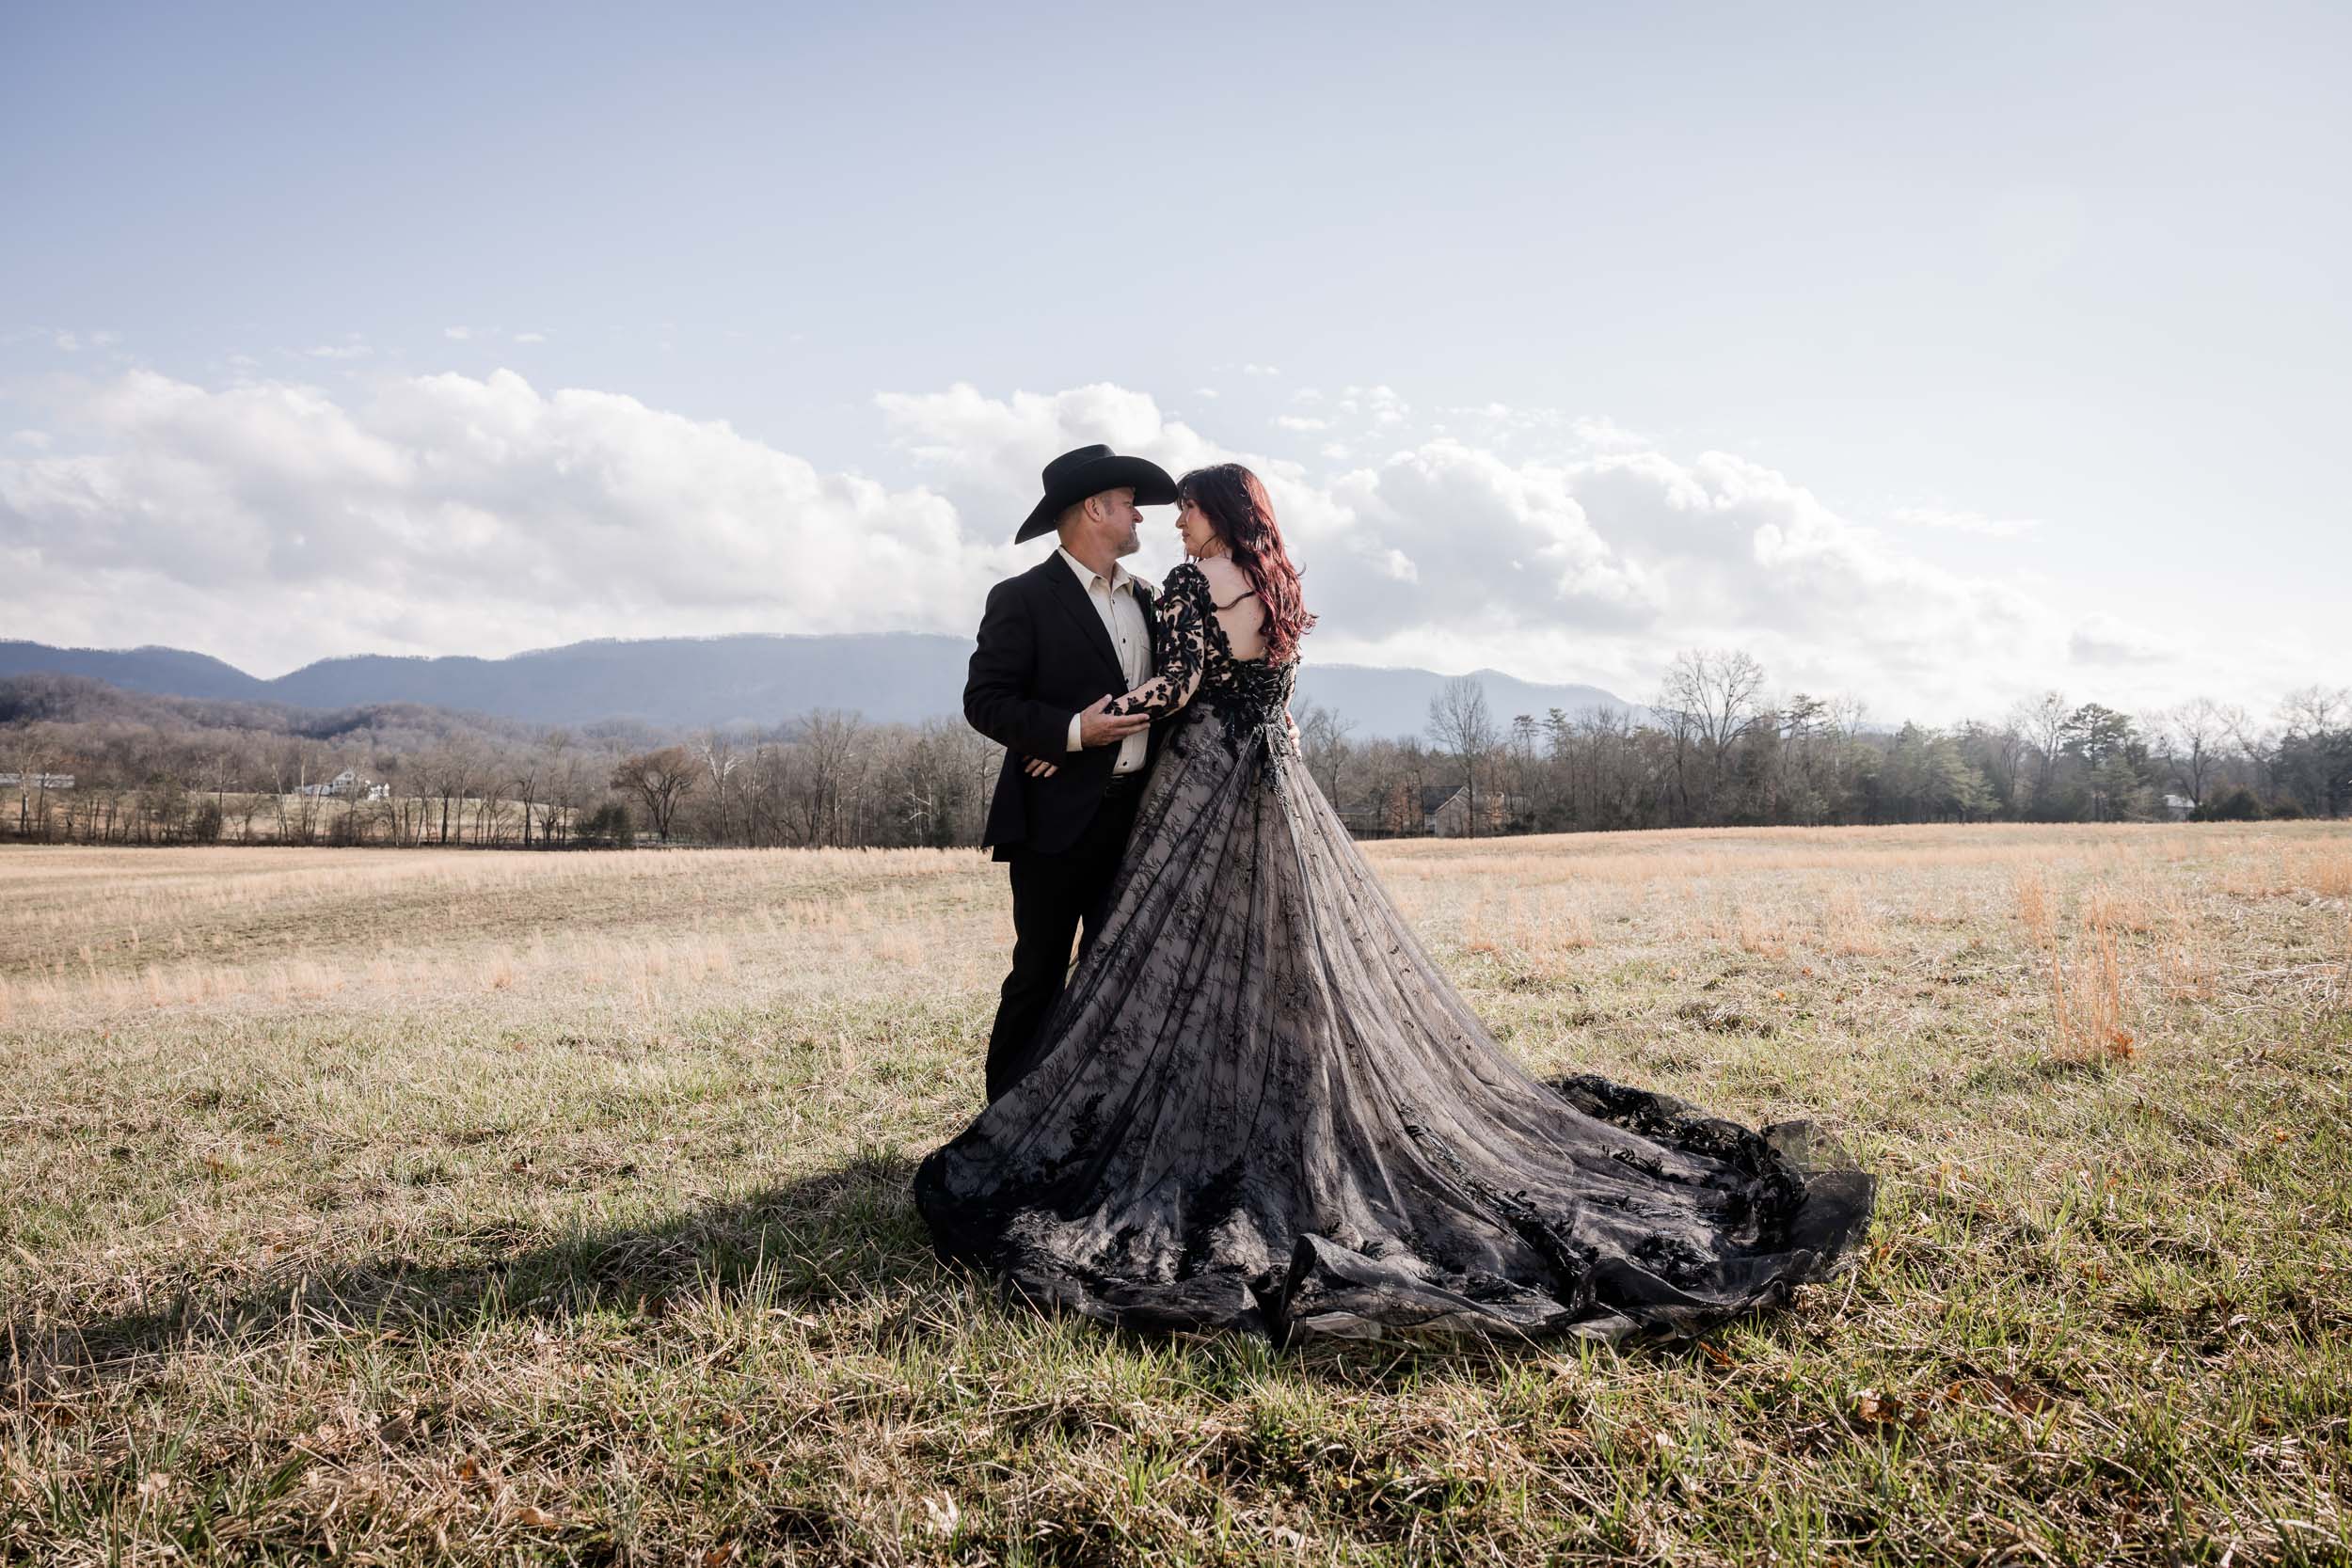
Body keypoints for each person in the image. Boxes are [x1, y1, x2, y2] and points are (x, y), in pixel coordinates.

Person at [922, 462, 1874, 1344]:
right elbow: (1051, 694)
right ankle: (1042, 1109)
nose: (1167, 521)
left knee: (1167, 968)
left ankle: (1113, 1129)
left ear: (1215, 513)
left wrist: (1099, 721)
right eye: (1145, 508)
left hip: (1192, 796)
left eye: (1183, 509)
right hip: (1251, 791)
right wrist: (1059, 733)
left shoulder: (1167, 589)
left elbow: (1172, 689)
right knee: (1202, 963)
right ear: (1095, 511)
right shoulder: (1260, 587)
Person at [962, 444, 1174, 1103]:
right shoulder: (1021, 598)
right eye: (1127, 502)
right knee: (1040, 973)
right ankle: (1001, 1123)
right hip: (1054, 822)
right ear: (1094, 508)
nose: (1140, 514)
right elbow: (986, 700)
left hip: (1138, 821)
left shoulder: (1150, 598)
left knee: (1118, 977)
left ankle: (1091, 1116)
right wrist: (1070, 732)